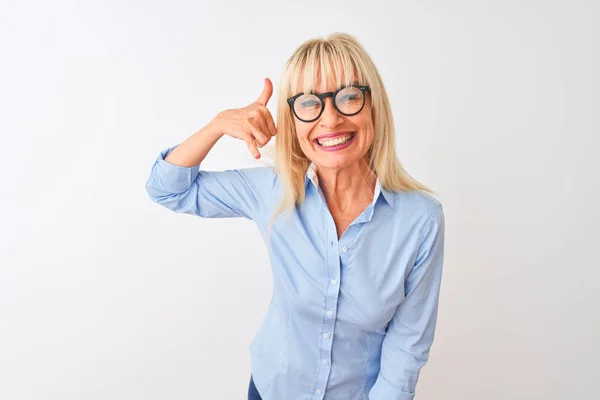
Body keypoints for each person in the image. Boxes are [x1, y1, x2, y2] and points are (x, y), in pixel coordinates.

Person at [145, 32, 446, 400]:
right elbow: (167, 188)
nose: (330, 119)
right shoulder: (272, 191)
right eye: (309, 104)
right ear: (293, 121)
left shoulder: (421, 219)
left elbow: (407, 348)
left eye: (349, 97)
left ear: (373, 106)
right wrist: (219, 125)